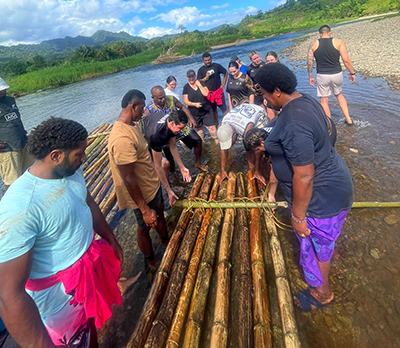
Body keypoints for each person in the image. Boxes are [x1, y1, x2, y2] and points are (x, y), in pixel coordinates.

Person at [0, 117, 125, 348]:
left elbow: (87, 202)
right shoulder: (21, 207)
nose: (84, 158)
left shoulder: (69, 173)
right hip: (56, 301)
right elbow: (9, 295)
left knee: (89, 328)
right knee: (73, 340)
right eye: (79, 154)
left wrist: (111, 239)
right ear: (56, 156)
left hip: (85, 277)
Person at [253, 63, 353, 312]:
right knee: (324, 242)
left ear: (277, 91)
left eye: (265, 94)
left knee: (315, 241)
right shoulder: (304, 101)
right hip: (334, 184)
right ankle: (329, 256)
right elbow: (329, 133)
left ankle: (322, 293)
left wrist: (297, 217)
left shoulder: (294, 122)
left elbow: (305, 176)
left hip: (320, 197)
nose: (264, 100)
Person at [108, 90, 169, 271]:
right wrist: (144, 208)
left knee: (152, 221)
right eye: (141, 108)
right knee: (146, 224)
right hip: (143, 193)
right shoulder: (121, 138)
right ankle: (152, 259)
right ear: (132, 106)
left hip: (150, 186)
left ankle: (162, 243)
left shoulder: (130, 127)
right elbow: (128, 178)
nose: (143, 112)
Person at [144, 85, 207, 172]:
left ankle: (198, 163)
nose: (163, 100)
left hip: (179, 128)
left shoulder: (171, 99)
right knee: (169, 157)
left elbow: (182, 107)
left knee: (197, 140)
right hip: (165, 134)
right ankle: (173, 174)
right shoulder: (149, 109)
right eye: (160, 98)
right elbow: (144, 123)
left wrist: (191, 118)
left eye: (163, 97)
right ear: (153, 98)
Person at [307, 24, 356, 125]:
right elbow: (346, 60)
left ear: (319, 34)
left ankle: (329, 125)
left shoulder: (313, 44)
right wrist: (352, 72)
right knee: (339, 95)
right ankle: (348, 119)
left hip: (322, 75)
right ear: (330, 32)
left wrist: (310, 76)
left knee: (324, 100)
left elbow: (310, 62)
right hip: (336, 74)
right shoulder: (339, 42)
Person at [140, 110, 193, 197]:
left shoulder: (170, 121)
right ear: (172, 123)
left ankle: (168, 184)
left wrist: (182, 167)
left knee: (166, 164)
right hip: (143, 136)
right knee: (164, 164)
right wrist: (168, 190)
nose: (181, 131)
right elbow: (158, 166)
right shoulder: (157, 135)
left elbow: (173, 146)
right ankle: (166, 189)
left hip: (149, 124)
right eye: (180, 128)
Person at [217, 103, 268, 183]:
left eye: (230, 141)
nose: (229, 145)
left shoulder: (246, 130)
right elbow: (223, 148)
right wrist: (222, 170)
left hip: (258, 114)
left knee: (255, 146)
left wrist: (256, 170)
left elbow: (256, 148)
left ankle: (257, 169)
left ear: (234, 134)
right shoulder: (222, 126)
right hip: (242, 112)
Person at [0, 77, 34, 191]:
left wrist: (23, 132)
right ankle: (7, 207)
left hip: (22, 142)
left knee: (30, 174)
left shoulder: (10, 100)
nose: (2, 92)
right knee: (11, 183)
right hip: (7, 149)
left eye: (3, 90)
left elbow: (15, 119)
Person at [182, 69, 217, 140]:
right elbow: (186, 101)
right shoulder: (186, 87)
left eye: (192, 77)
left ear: (195, 76)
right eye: (189, 77)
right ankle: (203, 143)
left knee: (211, 128)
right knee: (200, 131)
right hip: (195, 112)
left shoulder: (201, 83)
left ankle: (216, 141)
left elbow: (206, 94)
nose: (191, 79)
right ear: (187, 78)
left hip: (206, 109)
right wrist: (195, 104)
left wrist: (199, 85)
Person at [197, 52, 228, 124]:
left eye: (209, 60)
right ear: (203, 61)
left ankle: (228, 123)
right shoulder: (201, 70)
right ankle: (216, 124)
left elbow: (225, 72)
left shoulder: (217, 66)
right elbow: (198, 81)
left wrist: (223, 84)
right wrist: (206, 77)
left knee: (224, 109)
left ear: (211, 59)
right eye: (206, 60)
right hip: (209, 94)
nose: (208, 61)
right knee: (213, 111)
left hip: (218, 92)